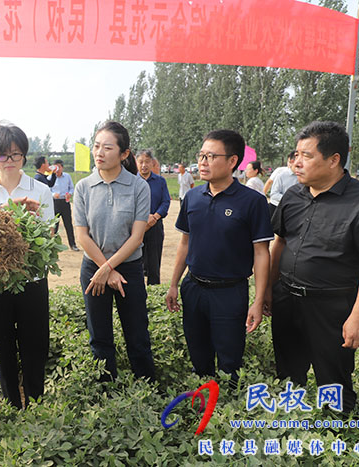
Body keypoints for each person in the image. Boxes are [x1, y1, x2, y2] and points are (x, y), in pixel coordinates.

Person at [265, 121, 359, 413]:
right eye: (295, 154)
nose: (296, 162)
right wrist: (269, 290)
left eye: (306, 156)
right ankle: (291, 422)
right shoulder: (294, 196)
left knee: (333, 376)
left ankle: (338, 433)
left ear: (334, 159)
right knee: (288, 369)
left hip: (332, 305)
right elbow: (280, 243)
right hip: (288, 297)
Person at [166, 130, 272, 381]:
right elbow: (185, 243)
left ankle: (227, 410)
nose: (203, 162)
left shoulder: (253, 201)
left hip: (230, 292)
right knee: (198, 356)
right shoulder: (192, 198)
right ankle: (203, 406)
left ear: (233, 161)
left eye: (211, 156)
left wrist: (258, 300)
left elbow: (261, 253)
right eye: (201, 156)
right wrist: (173, 284)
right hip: (194, 287)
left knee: (229, 360)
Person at [0, 121, 54, 409]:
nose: (10, 162)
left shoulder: (40, 191)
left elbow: (47, 237)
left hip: (32, 281)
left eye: (16, 155)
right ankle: (11, 406)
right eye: (3, 156)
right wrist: (10, 213)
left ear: (24, 156)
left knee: (35, 346)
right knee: (3, 346)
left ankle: (36, 403)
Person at [74, 121, 156, 382]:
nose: (99, 152)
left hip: (129, 269)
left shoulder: (138, 187)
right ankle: (106, 393)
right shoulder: (83, 187)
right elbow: (81, 236)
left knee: (138, 335)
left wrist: (108, 269)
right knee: (99, 337)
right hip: (93, 269)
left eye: (107, 148)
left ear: (124, 154)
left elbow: (137, 236)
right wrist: (103, 269)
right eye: (96, 146)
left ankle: (147, 389)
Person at [135, 149, 170, 285]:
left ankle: (154, 291)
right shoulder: (132, 182)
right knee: (136, 261)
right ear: (137, 163)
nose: (144, 165)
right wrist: (143, 219)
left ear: (152, 163)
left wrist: (154, 217)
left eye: (147, 162)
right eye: (141, 162)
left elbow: (165, 201)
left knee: (154, 263)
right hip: (137, 227)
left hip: (155, 226)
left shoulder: (160, 181)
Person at [50, 159, 79, 251]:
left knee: (68, 224)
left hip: (65, 202)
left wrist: (70, 193)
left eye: (59, 167)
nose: (57, 169)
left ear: (62, 167)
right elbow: (47, 189)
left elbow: (71, 187)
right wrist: (53, 194)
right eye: (55, 167)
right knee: (55, 225)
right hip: (55, 202)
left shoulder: (67, 176)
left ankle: (73, 244)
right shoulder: (49, 178)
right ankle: (53, 245)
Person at [266, 151, 298, 217]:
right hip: (277, 209)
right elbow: (274, 194)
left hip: (294, 210)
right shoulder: (281, 175)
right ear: (292, 161)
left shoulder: (304, 177)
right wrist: (290, 199)